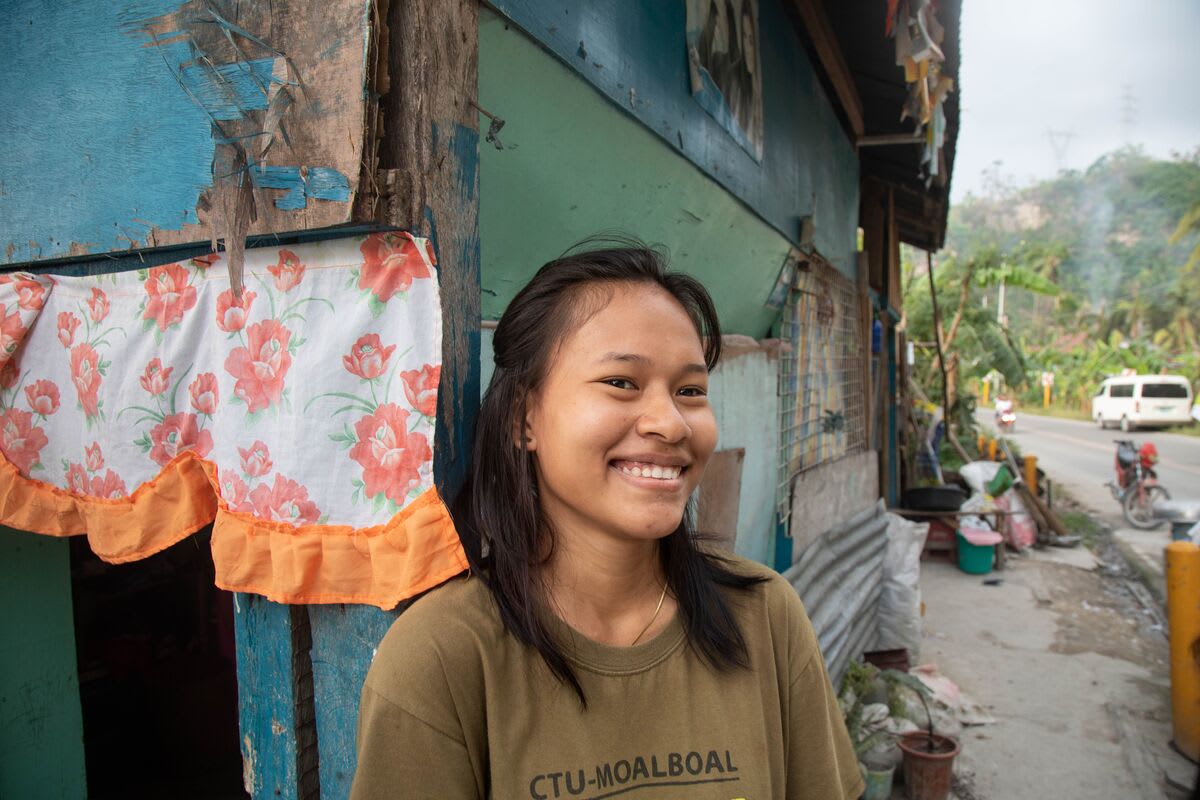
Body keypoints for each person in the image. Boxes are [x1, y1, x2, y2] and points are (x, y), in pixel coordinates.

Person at [350, 242, 863, 799]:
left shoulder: (766, 617)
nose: (671, 423)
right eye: (622, 383)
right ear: (525, 417)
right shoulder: (439, 661)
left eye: (690, 391)